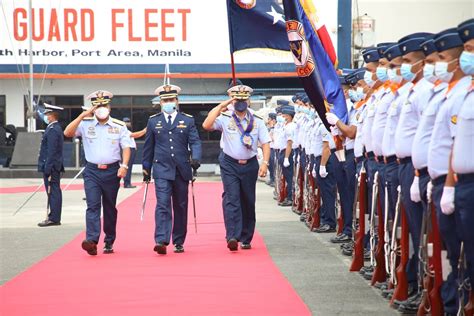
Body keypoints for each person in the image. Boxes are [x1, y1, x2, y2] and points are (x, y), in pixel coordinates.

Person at [202, 84, 270, 251]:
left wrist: (265, 163)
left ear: (249, 100)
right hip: (229, 163)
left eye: (243, 99)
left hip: (250, 164)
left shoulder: (257, 120)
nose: (240, 102)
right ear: (232, 100)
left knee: (248, 200)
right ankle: (232, 236)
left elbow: (266, 143)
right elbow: (207, 124)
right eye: (237, 99)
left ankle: (246, 237)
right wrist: (222, 105)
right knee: (232, 199)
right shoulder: (225, 117)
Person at [64, 90, 131, 256]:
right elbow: (67, 133)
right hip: (92, 171)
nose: (101, 108)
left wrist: (124, 166)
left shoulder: (119, 125)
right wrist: (82, 116)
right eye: (97, 105)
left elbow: (126, 147)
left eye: (104, 105)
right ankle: (92, 241)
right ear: (92, 107)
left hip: (112, 171)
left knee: (109, 207)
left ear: (109, 106)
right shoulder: (85, 123)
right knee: (92, 206)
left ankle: (109, 240)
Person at [142, 84, 202, 255]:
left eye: (170, 99)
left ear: (177, 100)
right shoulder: (153, 121)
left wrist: (196, 157)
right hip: (161, 168)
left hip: (182, 169)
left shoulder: (187, 120)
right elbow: (148, 147)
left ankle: (178, 240)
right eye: (164, 100)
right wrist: (146, 168)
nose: (168, 102)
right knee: (162, 204)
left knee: (181, 206)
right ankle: (161, 239)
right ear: (160, 103)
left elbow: (195, 141)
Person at [37, 103, 65, 227]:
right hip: (52, 165)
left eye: (47, 114)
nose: (46, 116)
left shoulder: (53, 129)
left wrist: (47, 168)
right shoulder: (52, 127)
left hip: (52, 166)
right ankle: (54, 216)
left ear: (53, 115)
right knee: (53, 191)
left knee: (53, 192)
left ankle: (54, 218)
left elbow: (51, 151)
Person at [122, 117, 137, 189]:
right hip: (128, 150)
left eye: (128, 122)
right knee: (127, 167)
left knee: (129, 167)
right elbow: (134, 135)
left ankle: (128, 182)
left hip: (132, 150)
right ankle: (126, 183)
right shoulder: (124, 131)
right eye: (126, 122)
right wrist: (144, 131)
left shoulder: (128, 131)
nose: (128, 123)